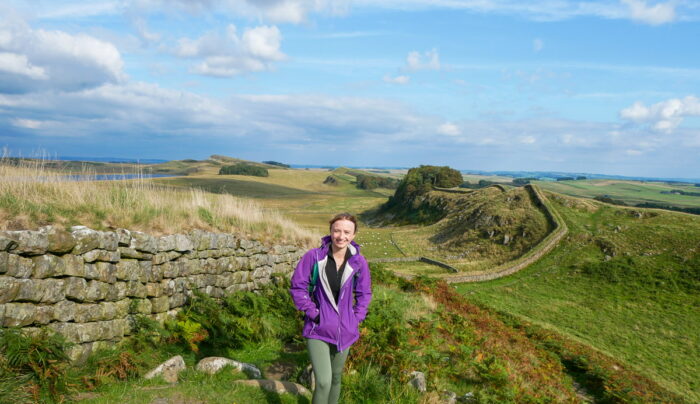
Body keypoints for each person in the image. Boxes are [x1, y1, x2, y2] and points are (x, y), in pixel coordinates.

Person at [289, 213, 372, 404]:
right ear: (330, 232)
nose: (341, 236)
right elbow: (298, 287)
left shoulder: (359, 262)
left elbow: (364, 293)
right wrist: (313, 314)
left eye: (346, 232)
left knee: (335, 379)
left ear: (353, 235)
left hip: (346, 331)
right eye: (337, 230)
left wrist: (356, 317)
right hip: (317, 329)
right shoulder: (314, 257)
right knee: (324, 382)